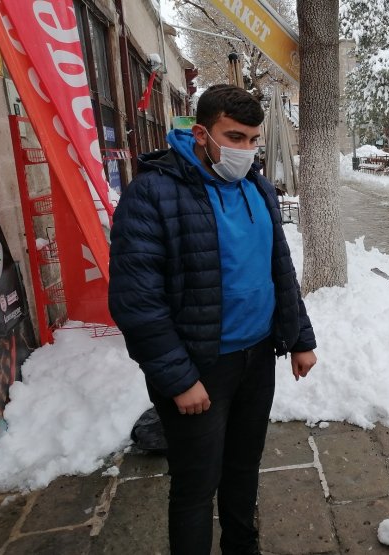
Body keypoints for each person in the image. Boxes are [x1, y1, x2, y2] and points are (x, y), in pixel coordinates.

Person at [108, 84, 317, 555]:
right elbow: (136, 302)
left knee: (244, 472)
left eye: (253, 139)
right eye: (234, 137)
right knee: (196, 486)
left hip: (257, 357)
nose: (245, 149)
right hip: (199, 368)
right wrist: (179, 379)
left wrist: (299, 337)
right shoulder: (152, 195)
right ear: (201, 133)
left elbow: (278, 269)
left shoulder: (258, 188)